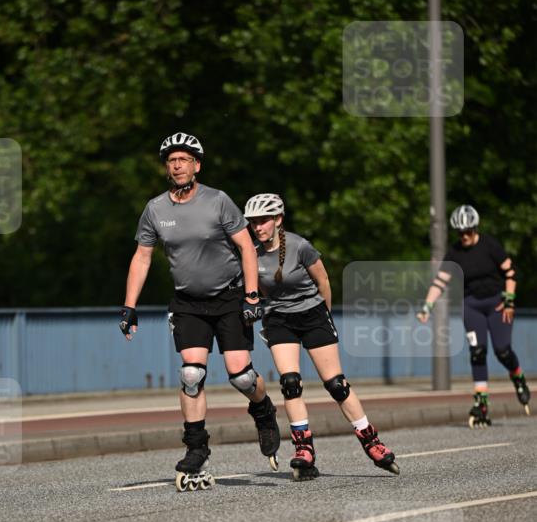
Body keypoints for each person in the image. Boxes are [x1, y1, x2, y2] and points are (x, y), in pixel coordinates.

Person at [120, 133, 280, 491]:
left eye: (183, 160)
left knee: (241, 377)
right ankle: (196, 449)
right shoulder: (155, 209)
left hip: (228, 299)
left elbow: (247, 249)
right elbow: (142, 257)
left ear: (196, 165)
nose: (176, 165)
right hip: (188, 302)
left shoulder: (218, 201)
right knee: (191, 375)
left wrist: (252, 296)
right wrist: (129, 306)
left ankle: (263, 410)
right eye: (171, 160)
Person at [244, 193, 399, 479]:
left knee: (337, 384)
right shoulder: (251, 254)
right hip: (279, 318)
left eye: (263, 221)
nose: (258, 227)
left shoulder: (300, 246)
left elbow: (323, 280)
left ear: (278, 220)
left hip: (313, 313)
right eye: (253, 222)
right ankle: (304, 448)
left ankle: (371, 441)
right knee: (290, 383)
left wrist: (324, 316)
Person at [417, 204, 531, 426]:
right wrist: (427, 306)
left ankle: (517, 376)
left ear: (475, 228)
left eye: (468, 231)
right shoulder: (455, 252)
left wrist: (509, 300)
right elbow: (440, 282)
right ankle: (482, 402)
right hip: (471, 306)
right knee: (477, 352)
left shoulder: (490, 245)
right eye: (460, 232)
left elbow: (511, 272)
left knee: (502, 351)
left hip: (497, 304)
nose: (464, 236)